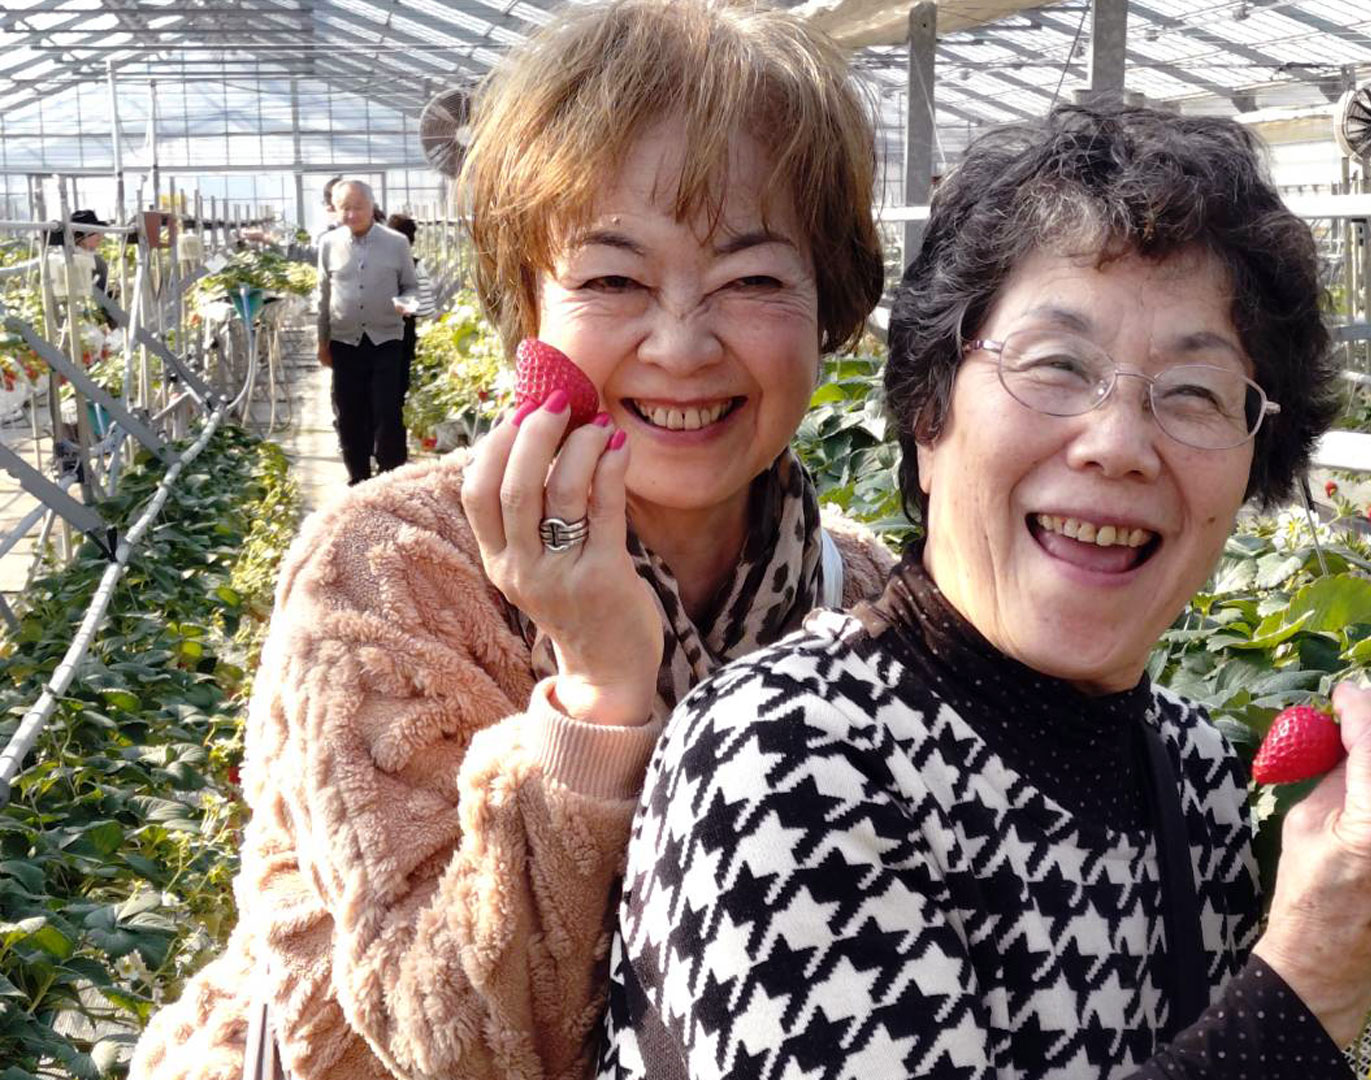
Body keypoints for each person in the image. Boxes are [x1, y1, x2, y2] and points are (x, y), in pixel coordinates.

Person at [601, 104, 1371, 1079]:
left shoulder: (1196, 773)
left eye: (1194, 392)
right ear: (929, 419)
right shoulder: (781, 758)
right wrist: (1315, 982)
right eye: (1057, 366)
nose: (1119, 445)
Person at [129, 2, 889, 1078]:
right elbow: (449, 1046)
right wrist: (599, 691)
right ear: (526, 307)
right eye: (613, 278)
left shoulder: (861, 598)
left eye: (753, 279)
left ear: (831, 305)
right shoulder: (390, 568)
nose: (682, 346)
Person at [315, 179, 421, 483]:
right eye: (344, 208)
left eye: (358, 207)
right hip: (344, 341)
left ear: (371, 206)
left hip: (386, 339)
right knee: (349, 412)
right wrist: (322, 341)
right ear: (335, 210)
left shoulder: (396, 243)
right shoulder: (329, 244)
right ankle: (358, 478)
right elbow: (323, 295)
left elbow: (411, 286)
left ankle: (390, 478)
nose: (351, 214)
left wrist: (405, 305)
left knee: (387, 410)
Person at [384, 212, 421, 395]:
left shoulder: (377, 264)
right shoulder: (415, 265)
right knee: (398, 389)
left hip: (380, 336)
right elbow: (419, 305)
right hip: (404, 335)